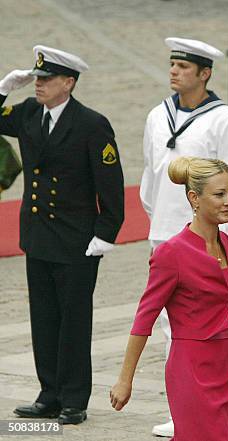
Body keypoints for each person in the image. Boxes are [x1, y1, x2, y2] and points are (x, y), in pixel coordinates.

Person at [0, 45, 124, 424]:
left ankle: (74, 399)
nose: (38, 84)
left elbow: (111, 184)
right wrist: (3, 89)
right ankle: (48, 393)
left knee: (73, 321)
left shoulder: (91, 123)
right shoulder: (28, 114)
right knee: (44, 318)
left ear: (68, 83)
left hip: (75, 240)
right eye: (37, 78)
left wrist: (106, 232)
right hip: (38, 237)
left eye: (47, 79)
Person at [139, 37, 228, 437]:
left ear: (205, 73)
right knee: (172, 327)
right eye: (172, 64)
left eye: (184, 67)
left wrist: (227, 238)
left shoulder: (226, 119)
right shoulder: (157, 115)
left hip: (208, 239)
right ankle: (180, 406)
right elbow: (151, 176)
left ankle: (205, 403)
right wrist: (160, 226)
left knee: (211, 323)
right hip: (167, 233)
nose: (174, 72)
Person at [110, 157, 228, 441]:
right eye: (219, 194)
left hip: (227, 367)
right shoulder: (172, 253)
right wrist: (125, 380)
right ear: (194, 198)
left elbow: (225, 313)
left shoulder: (225, 242)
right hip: (193, 370)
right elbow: (144, 319)